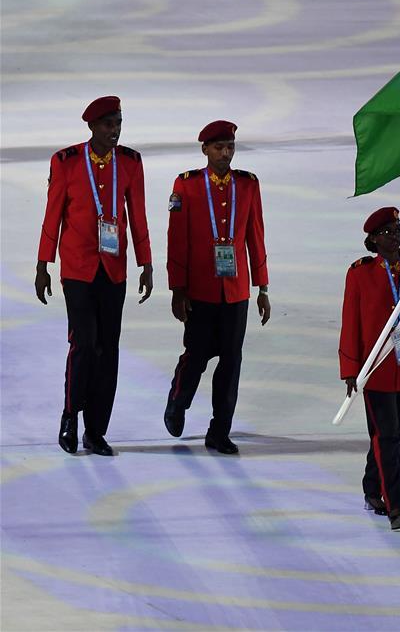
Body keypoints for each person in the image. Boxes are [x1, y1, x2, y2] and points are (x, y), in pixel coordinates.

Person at [35, 96, 153, 457]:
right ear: (92, 127)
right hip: (77, 267)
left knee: (109, 350)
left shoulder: (130, 163)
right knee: (84, 343)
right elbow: (53, 213)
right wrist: (43, 264)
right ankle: (71, 415)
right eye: (107, 124)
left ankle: (96, 430)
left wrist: (146, 263)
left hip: (113, 268)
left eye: (118, 123)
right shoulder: (67, 161)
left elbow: (138, 215)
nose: (114, 131)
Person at [164, 120, 270, 455]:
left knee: (231, 362)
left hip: (235, 291)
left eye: (230, 147)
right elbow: (177, 240)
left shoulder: (248, 185)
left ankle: (219, 429)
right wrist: (177, 288)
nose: (225, 154)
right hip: (200, 290)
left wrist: (262, 286)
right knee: (195, 356)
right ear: (205, 150)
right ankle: (178, 400)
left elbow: (255, 235)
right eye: (218, 147)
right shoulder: (187, 186)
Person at [339, 207, 400, 530]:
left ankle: (371, 488)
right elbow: (350, 322)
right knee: (389, 438)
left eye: (398, 229)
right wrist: (350, 370)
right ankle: (394, 505)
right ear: (373, 240)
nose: (395, 235)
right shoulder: (360, 273)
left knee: (384, 436)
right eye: (388, 232)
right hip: (377, 370)